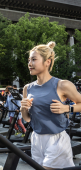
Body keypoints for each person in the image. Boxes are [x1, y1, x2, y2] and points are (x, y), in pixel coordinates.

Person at [20, 41, 81, 169]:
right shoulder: (27, 88)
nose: (29, 64)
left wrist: (67, 108)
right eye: (29, 60)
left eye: (34, 60)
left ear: (47, 62)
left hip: (57, 139)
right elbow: (27, 119)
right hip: (37, 139)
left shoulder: (62, 85)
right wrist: (23, 108)